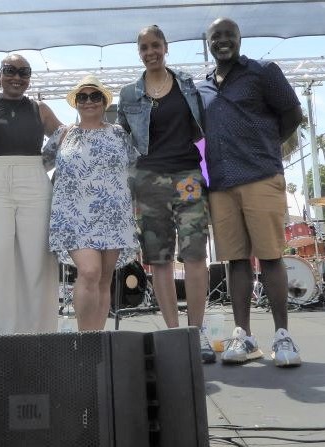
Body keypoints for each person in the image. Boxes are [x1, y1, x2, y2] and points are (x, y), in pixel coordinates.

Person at [198, 17, 303, 367]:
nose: (222, 41)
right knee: (235, 260)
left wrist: (266, 147)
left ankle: (282, 337)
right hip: (222, 184)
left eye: (229, 35)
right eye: (216, 37)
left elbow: (292, 114)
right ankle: (243, 336)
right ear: (208, 43)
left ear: (239, 39)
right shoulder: (203, 87)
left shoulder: (262, 72)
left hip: (260, 175)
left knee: (271, 256)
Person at [117, 25, 216, 363]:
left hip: (187, 174)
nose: (150, 52)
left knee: (194, 253)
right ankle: (174, 334)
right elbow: (122, 140)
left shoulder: (187, 83)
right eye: (144, 47)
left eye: (155, 45)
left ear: (165, 46)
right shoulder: (129, 94)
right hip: (148, 179)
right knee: (159, 258)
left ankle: (196, 331)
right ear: (139, 52)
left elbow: (202, 123)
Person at [0, 54, 62, 335]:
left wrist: (41, 165)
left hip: (35, 182)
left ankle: (39, 334)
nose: (17, 77)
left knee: (38, 261)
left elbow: (65, 138)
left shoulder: (40, 109)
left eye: (24, 72)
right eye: (10, 70)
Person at [43, 75, 139, 331]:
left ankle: (96, 339)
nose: (89, 101)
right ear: (75, 103)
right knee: (89, 272)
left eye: (95, 96)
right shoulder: (63, 135)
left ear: (105, 102)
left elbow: (137, 167)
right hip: (73, 215)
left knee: (104, 279)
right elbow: (40, 165)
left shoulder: (120, 134)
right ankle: (84, 341)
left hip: (114, 215)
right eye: (82, 97)